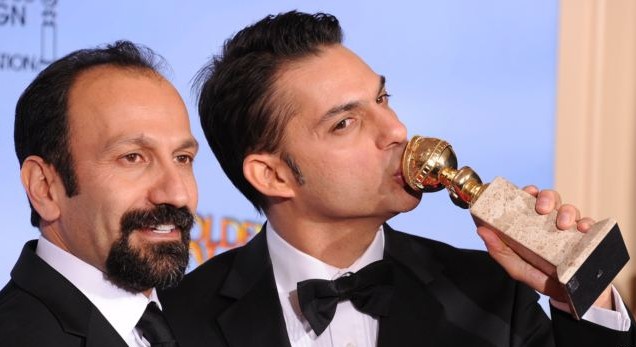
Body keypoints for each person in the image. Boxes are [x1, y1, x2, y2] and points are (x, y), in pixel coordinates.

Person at [160, 11, 634, 347]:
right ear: (273, 174)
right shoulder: (176, 321)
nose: (396, 132)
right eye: (344, 123)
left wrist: (578, 296)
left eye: (382, 100)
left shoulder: (489, 294)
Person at [0, 40, 199, 347]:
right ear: (44, 187)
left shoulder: (211, 316)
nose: (176, 194)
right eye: (132, 157)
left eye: (182, 158)